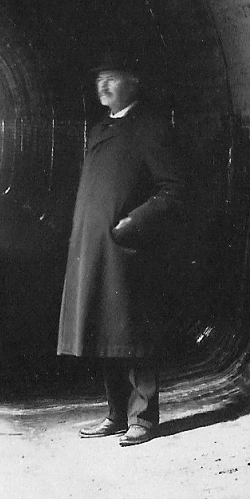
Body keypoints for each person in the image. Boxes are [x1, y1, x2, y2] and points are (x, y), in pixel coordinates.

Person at [58, 54, 183, 446]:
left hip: (128, 250)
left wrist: (133, 224)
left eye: (111, 79)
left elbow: (174, 188)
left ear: (133, 82)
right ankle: (115, 413)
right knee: (104, 332)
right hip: (96, 248)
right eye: (99, 80)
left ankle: (143, 417)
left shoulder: (149, 128)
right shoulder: (100, 129)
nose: (103, 87)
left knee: (135, 333)